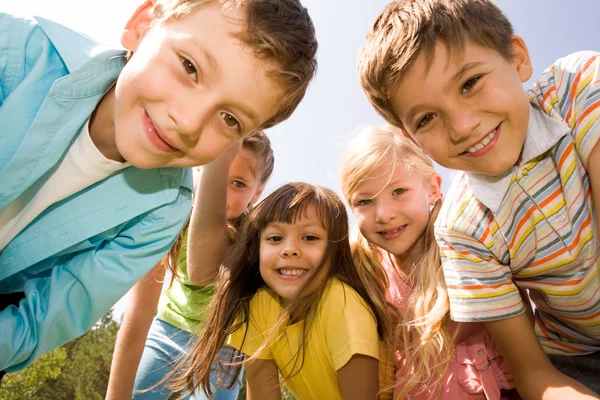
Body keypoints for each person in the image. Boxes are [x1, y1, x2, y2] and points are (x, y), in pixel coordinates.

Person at [0, 0, 317, 374]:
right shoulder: (15, 50)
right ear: (142, 25)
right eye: (189, 67)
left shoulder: (164, 210)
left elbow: (42, 321)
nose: (187, 121)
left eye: (230, 119)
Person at [357, 0, 600, 397]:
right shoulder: (461, 230)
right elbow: (535, 374)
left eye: (470, 83)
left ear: (518, 58)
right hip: (574, 360)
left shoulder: (579, 86)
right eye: (426, 119)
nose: (462, 126)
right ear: (411, 141)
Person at [169, 182, 395, 399]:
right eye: (275, 238)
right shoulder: (261, 303)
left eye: (309, 237)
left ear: (336, 250)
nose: (290, 250)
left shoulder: (342, 303)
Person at [341, 125, 517, 399]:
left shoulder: (465, 248)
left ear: (433, 189)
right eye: (365, 201)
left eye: (399, 191)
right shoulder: (366, 270)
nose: (384, 214)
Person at [106, 131, 274, 399]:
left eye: (239, 183)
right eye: (215, 173)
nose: (222, 192)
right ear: (198, 168)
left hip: (224, 348)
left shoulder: (257, 239)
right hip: (166, 333)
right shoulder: (169, 220)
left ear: (258, 192)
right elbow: (139, 313)